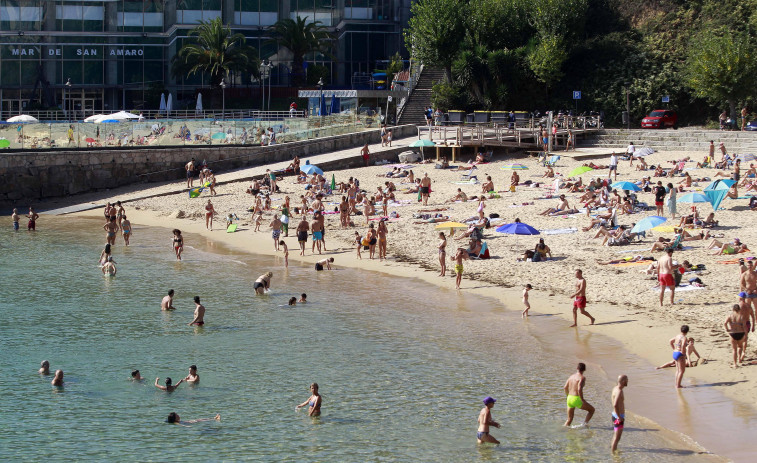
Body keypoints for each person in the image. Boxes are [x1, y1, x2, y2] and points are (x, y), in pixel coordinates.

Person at [610, 375, 628, 452]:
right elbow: (615, 404)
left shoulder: (615, 388)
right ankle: (614, 455)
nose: (628, 381)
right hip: (618, 416)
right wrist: (619, 417)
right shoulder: (619, 391)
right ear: (623, 381)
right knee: (617, 437)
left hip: (615, 415)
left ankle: (613, 450)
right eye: (627, 380)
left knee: (616, 436)